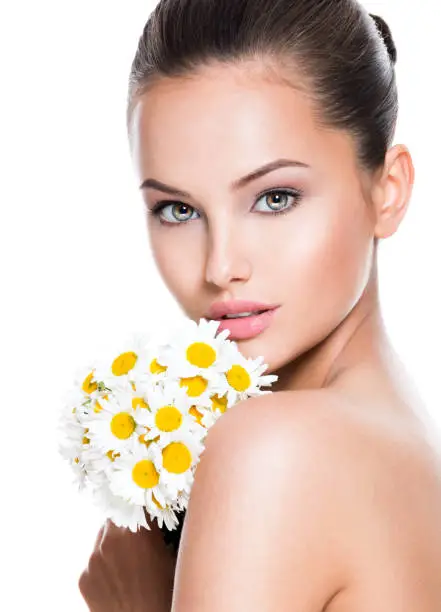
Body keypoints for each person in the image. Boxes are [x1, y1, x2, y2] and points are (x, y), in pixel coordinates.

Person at [78, 0, 441, 609]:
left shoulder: (274, 449)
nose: (221, 266)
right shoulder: (404, 439)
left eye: (275, 198)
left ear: (388, 190)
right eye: (178, 209)